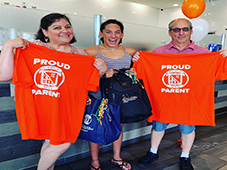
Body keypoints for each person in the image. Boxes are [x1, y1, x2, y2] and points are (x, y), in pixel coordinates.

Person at [0, 13, 107, 170]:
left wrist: (101, 71)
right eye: (57, 27)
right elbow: (4, 76)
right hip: (39, 103)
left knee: (57, 143)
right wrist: (8, 46)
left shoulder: (80, 55)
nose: (64, 30)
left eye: (67, 26)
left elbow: (88, 84)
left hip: (67, 106)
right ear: (45, 32)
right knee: (58, 143)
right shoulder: (31, 47)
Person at [133, 18, 227, 170]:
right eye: (176, 29)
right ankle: (153, 152)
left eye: (185, 29)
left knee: (187, 129)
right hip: (163, 99)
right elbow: (144, 72)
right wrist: (139, 59)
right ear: (170, 32)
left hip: (189, 100)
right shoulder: (158, 52)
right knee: (158, 125)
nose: (181, 32)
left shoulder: (204, 54)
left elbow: (219, 72)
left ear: (191, 31)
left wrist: (223, 58)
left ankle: (185, 156)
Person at [84, 19, 137, 170]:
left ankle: (116, 157)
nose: (113, 35)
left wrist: (134, 70)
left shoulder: (131, 52)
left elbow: (136, 73)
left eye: (117, 32)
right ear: (101, 34)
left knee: (118, 126)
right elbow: (83, 76)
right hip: (97, 96)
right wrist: (102, 73)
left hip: (120, 98)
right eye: (108, 31)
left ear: (122, 34)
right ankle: (94, 161)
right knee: (94, 126)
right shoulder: (91, 52)